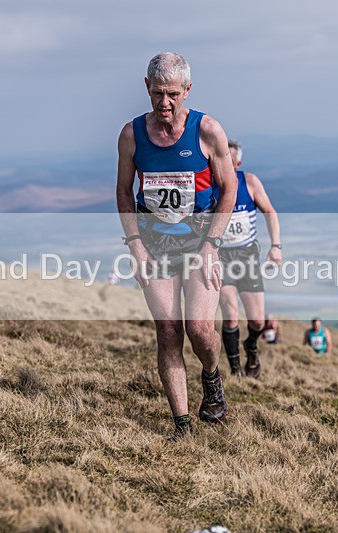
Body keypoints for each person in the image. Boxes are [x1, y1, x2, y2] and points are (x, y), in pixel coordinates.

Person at [116, 53, 238, 440]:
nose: (164, 102)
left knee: (199, 329)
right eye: (157, 93)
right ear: (146, 88)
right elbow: (124, 192)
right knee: (168, 332)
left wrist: (212, 245)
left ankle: (212, 376)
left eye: (172, 94)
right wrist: (135, 246)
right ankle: (182, 425)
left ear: (187, 90)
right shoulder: (132, 135)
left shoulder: (208, 130)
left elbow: (229, 188)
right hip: (154, 244)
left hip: (201, 242)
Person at [215, 140, 282, 378]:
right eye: (221, 158)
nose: (225, 163)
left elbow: (270, 212)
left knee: (257, 320)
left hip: (247, 257)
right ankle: (235, 371)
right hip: (221, 258)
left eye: (230, 159)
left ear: (238, 163)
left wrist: (276, 246)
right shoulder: (209, 184)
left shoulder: (250, 182)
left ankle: (251, 346)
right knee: (230, 316)